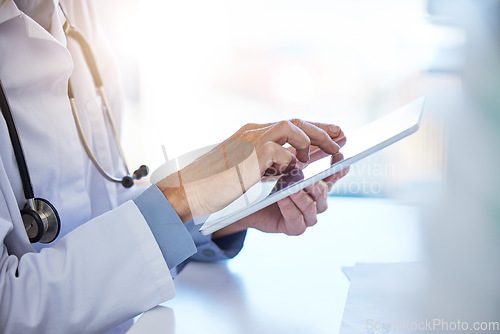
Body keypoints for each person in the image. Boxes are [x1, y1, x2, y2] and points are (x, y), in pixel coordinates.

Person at [0, 1, 348, 333]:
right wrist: (181, 198)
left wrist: (229, 210)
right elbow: (9, 309)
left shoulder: (76, 12)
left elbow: (98, 209)